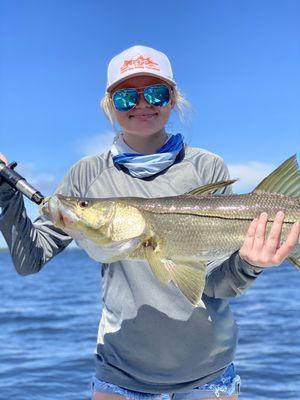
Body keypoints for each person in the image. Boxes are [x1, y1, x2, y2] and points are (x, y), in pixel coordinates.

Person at [0, 45, 299, 400]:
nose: (142, 104)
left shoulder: (206, 167)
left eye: (156, 92)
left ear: (173, 100)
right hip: (120, 372)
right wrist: (6, 193)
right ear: (110, 105)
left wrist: (250, 264)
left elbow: (216, 287)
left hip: (208, 372)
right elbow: (30, 258)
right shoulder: (86, 174)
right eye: (127, 97)